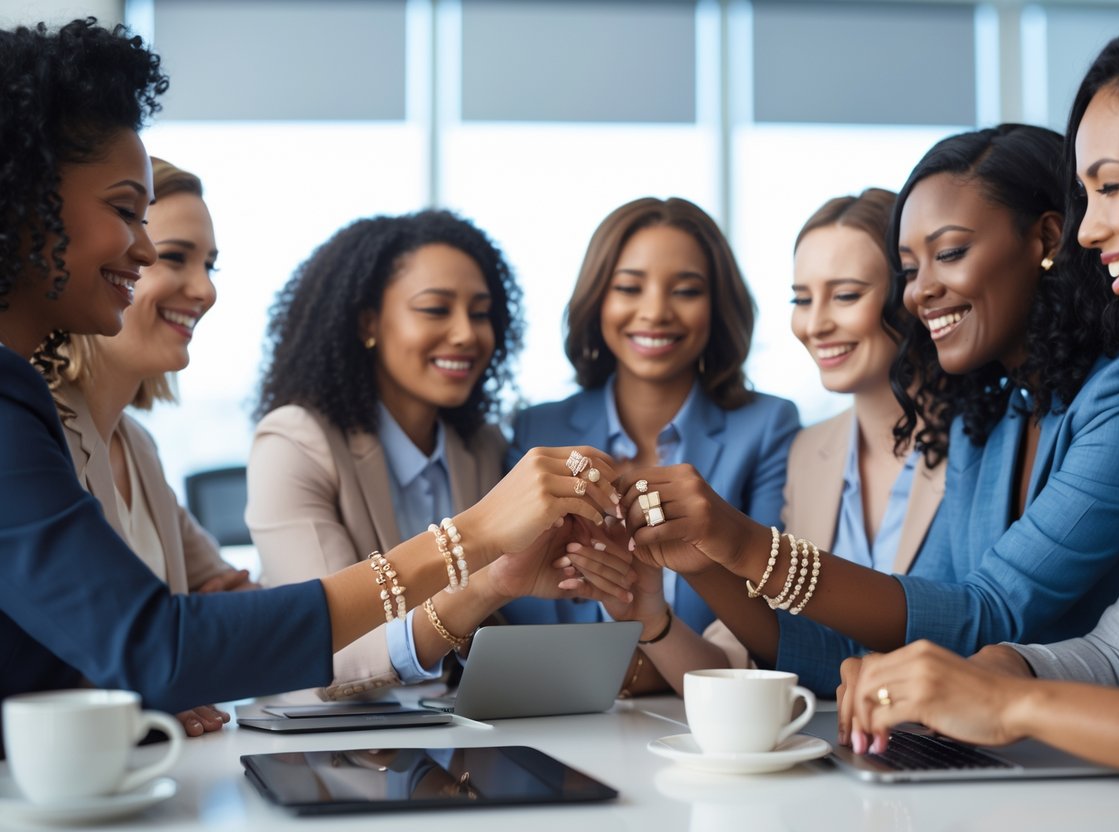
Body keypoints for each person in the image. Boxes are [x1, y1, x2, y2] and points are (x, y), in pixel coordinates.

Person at [0, 18, 615, 732]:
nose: (140, 248)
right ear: (24, 195)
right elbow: (155, 647)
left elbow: (159, 634)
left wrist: (193, 633)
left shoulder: (91, 430)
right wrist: (468, 538)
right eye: (123, 212)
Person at [608, 123, 1119, 697]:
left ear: (1045, 238)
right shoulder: (992, 413)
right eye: (910, 271)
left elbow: (985, 616)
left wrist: (741, 541)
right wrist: (707, 562)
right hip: (998, 754)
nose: (919, 292)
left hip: (1101, 755)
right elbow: (895, 644)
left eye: (951, 253)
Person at [841, 11, 1119, 789]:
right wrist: (991, 675)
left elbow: (983, 607)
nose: (1087, 230)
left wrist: (1015, 706)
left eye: (1109, 186)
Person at [567, 189, 945, 690]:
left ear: (913, 292)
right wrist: (652, 620)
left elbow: (989, 620)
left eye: (847, 295)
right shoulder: (812, 454)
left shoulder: (986, 438)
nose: (815, 324)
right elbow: (750, 659)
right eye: (802, 299)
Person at [249, 211, 633, 699]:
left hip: (449, 739)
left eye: (480, 312)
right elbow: (331, 650)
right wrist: (485, 588)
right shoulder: (295, 442)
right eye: (435, 309)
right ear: (369, 321)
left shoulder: (481, 447)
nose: (466, 334)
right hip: (324, 743)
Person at [507, 196, 800, 694]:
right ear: (598, 299)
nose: (656, 311)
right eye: (629, 287)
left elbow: (769, 623)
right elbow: (514, 616)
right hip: (549, 723)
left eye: (685, 290)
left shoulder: (767, 427)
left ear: (717, 306)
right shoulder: (535, 431)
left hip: (702, 720)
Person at [48, 157, 253, 736]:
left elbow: (231, 599)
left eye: (210, 265)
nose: (206, 289)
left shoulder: (138, 447)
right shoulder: (37, 432)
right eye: (176, 257)